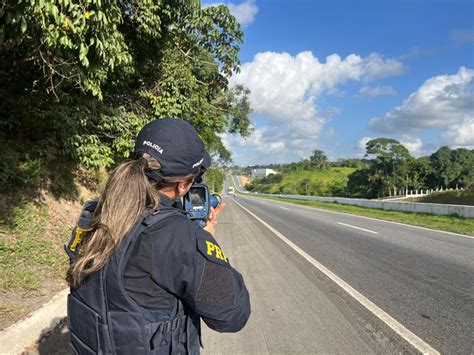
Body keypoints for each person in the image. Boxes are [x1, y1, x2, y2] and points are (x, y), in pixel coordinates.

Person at [65, 118, 251, 355]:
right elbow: (232, 314)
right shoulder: (177, 235)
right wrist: (207, 240)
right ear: (183, 185)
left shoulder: (95, 212)